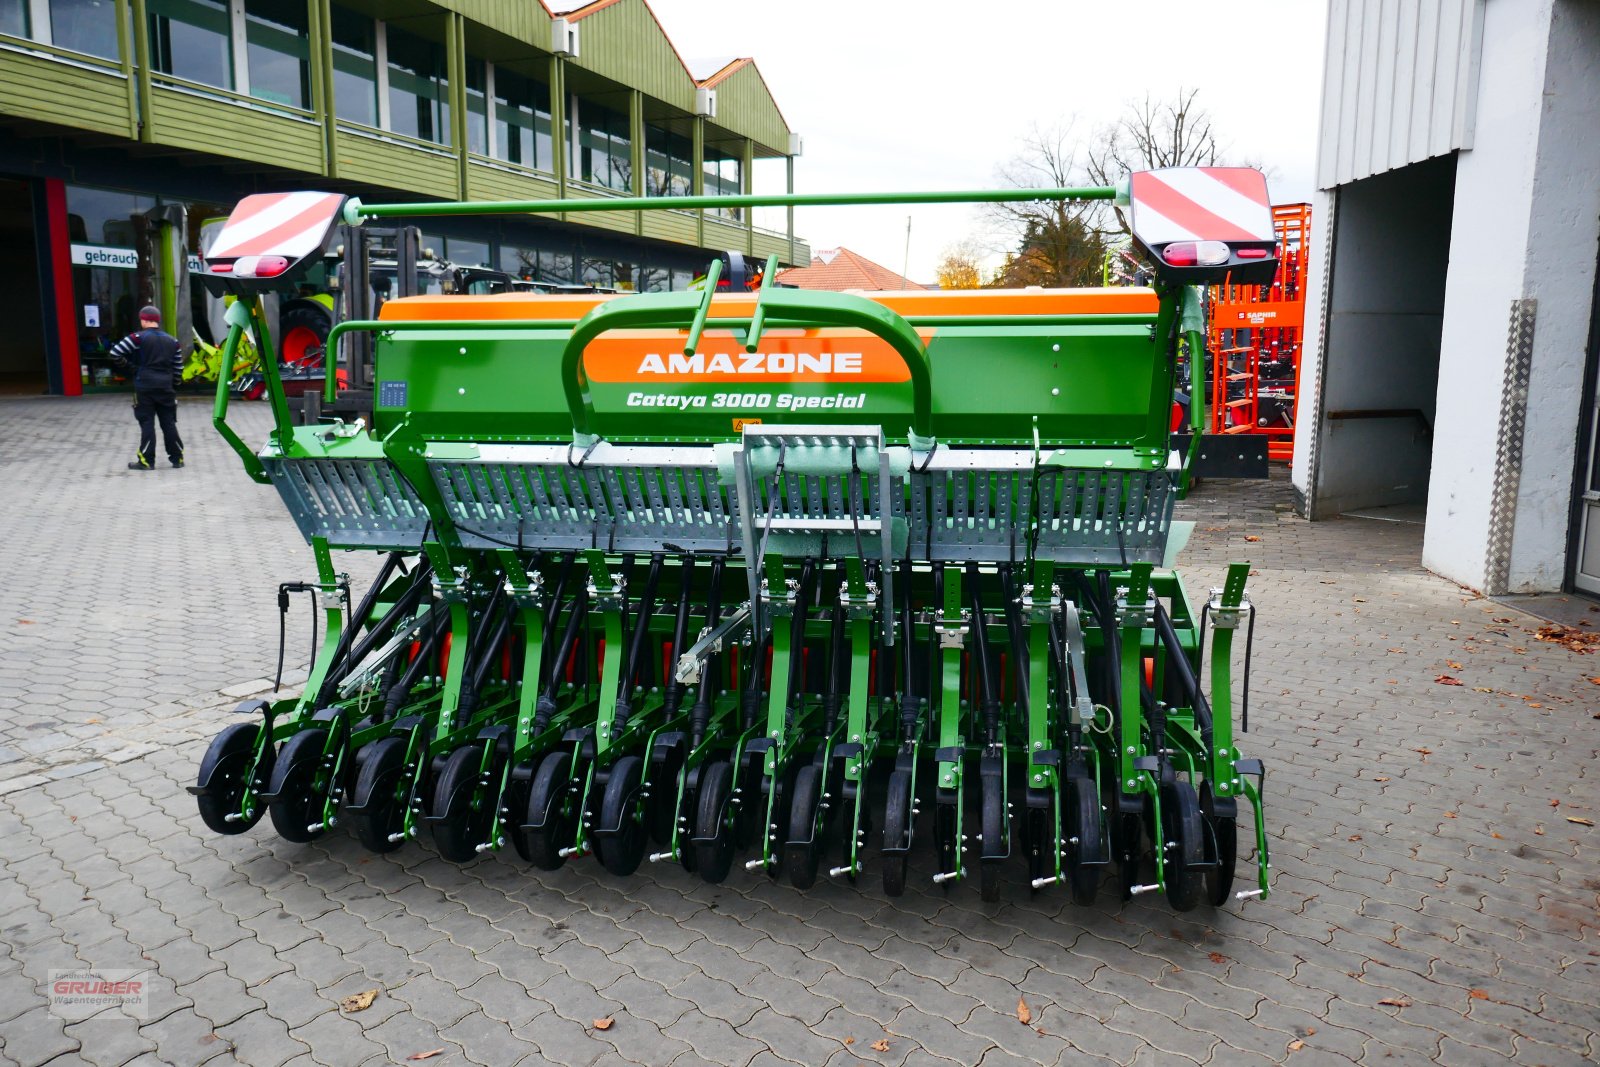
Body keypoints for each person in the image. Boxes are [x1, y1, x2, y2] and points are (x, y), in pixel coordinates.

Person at [109, 305, 185, 471]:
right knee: (169, 423)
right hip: (166, 387)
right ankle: (177, 458)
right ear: (158, 320)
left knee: (147, 423)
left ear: (143, 320)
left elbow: (115, 353)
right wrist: (174, 384)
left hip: (144, 386)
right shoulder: (173, 341)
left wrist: (131, 368)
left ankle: (146, 461)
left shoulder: (137, 338)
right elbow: (179, 368)